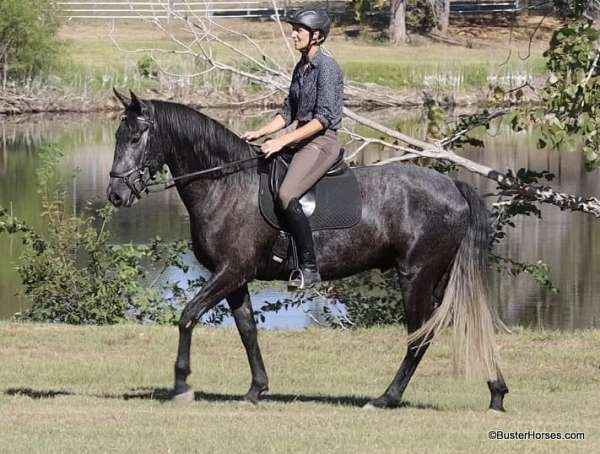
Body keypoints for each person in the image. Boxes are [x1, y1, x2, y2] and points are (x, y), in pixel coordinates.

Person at [242, 9, 344, 289]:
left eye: (300, 30)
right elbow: (287, 112)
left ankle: (309, 269)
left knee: (287, 194)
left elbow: (323, 119)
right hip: (300, 141)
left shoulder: (328, 68)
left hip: (321, 143)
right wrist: (260, 132)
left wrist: (281, 141)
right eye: (294, 29)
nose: (294, 34)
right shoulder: (301, 67)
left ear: (317, 36)